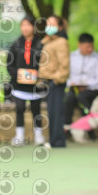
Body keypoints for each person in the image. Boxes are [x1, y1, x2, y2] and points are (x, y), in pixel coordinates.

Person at [6, 15, 47, 147]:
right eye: (23, 25)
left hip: (36, 85)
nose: (25, 28)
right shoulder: (16, 44)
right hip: (19, 85)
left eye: (28, 25)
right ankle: (19, 136)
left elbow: (45, 62)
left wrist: (39, 76)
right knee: (19, 108)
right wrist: (17, 75)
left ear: (34, 27)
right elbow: (9, 64)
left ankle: (39, 136)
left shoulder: (40, 44)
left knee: (36, 110)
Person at [65, 33, 98, 138]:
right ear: (79, 45)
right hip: (74, 88)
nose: (90, 49)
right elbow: (65, 74)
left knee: (82, 99)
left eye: (92, 46)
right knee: (68, 99)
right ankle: (67, 128)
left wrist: (88, 85)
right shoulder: (71, 57)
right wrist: (72, 83)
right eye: (87, 47)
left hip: (91, 90)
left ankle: (90, 129)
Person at [38, 15, 70, 148]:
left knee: (56, 112)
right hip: (48, 81)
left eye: (52, 24)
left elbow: (64, 64)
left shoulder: (61, 42)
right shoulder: (48, 41)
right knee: (52, 112)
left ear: (60, 27)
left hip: (56, 82)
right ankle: (54, 140)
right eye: (47, 24)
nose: (48, 27)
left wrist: (57, 79)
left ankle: (58, 141)